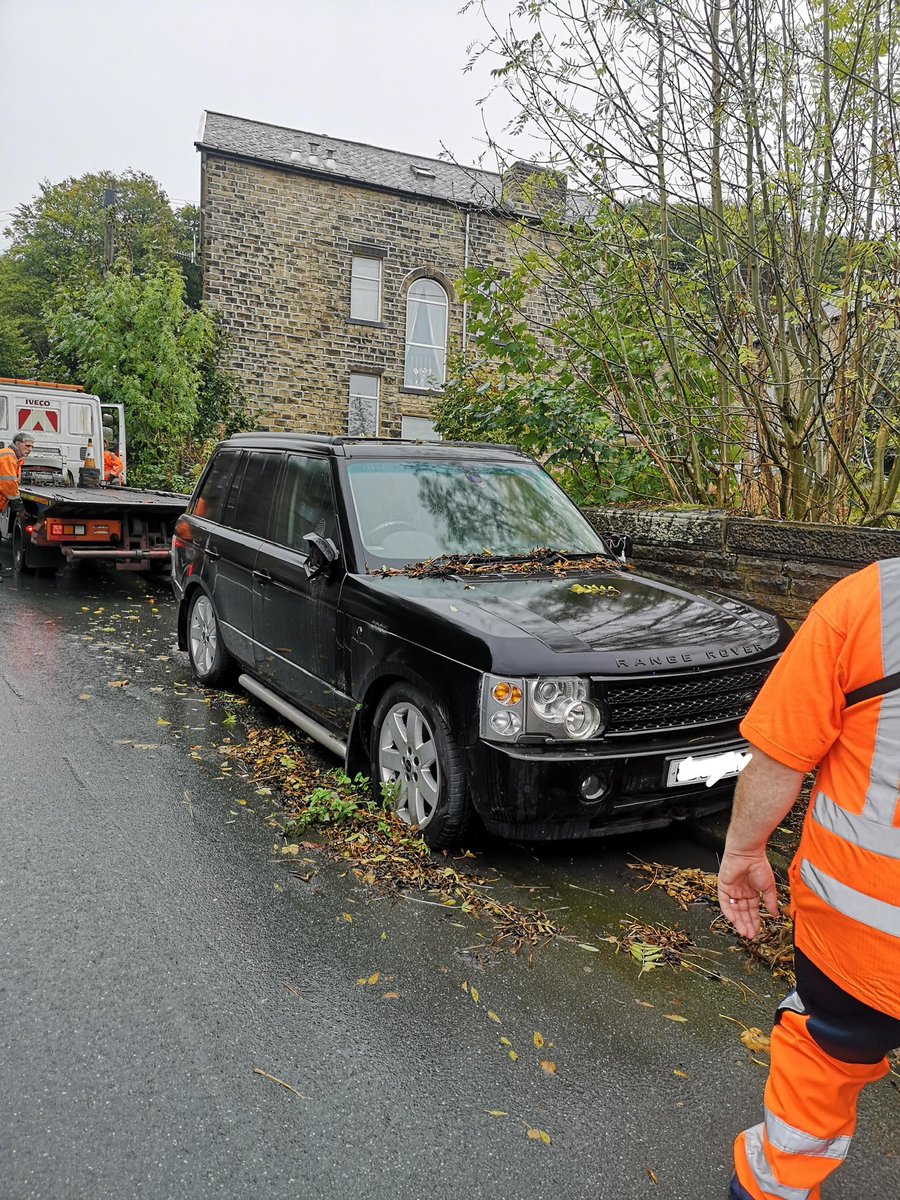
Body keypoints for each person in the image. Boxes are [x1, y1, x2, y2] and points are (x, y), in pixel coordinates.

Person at [718, 558, 900, 1200]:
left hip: (865, 935)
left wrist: (743, 849)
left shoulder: (871, 603)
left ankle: (774, 1189)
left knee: (821, 1070)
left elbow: (779, 760)